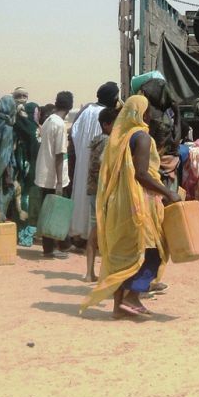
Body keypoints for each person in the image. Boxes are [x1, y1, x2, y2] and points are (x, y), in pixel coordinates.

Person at [80, 96, 180, 318]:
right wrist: (168, 192)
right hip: (139, 203)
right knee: (153, 250)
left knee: (124, 254)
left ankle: (119, 307)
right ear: (142, 114)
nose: (151, 116)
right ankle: (132, 296)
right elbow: (142, 174)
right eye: (149, 111)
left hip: (119, 202)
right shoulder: (142, 137)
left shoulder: (119, 139)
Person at [70, 82, 120, 241]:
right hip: (97, 167)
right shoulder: (106, 116)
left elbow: (74, 134)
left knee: (82, 198)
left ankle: (80, 235)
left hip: (83, 162)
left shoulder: (86, 111)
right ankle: (93, 239)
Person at [34, 91, 73, 258]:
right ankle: (51, 248)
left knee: (48, 211)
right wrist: (59, 182)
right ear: (70, 107)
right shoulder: (59, 125)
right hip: (54, 176)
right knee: (56, 212)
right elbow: (59, 154)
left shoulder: (49, 120)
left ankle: (62, 244)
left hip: (45, 173)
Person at [85, 106, 118, 282]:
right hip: (102, 191)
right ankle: (98, 273)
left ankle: (90, 272)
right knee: (101, 231)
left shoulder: (97, 140)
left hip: (94, 190)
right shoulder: (107, 141)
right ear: (106, 125)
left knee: (96, 230)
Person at [12, 101, 41, 246]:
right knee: (25, 198)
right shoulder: (32, 128)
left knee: (25, 198)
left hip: (28, 168)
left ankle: (25, 231)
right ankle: (24, 232)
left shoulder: (29, 127)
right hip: (29, 168)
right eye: (36, 112)